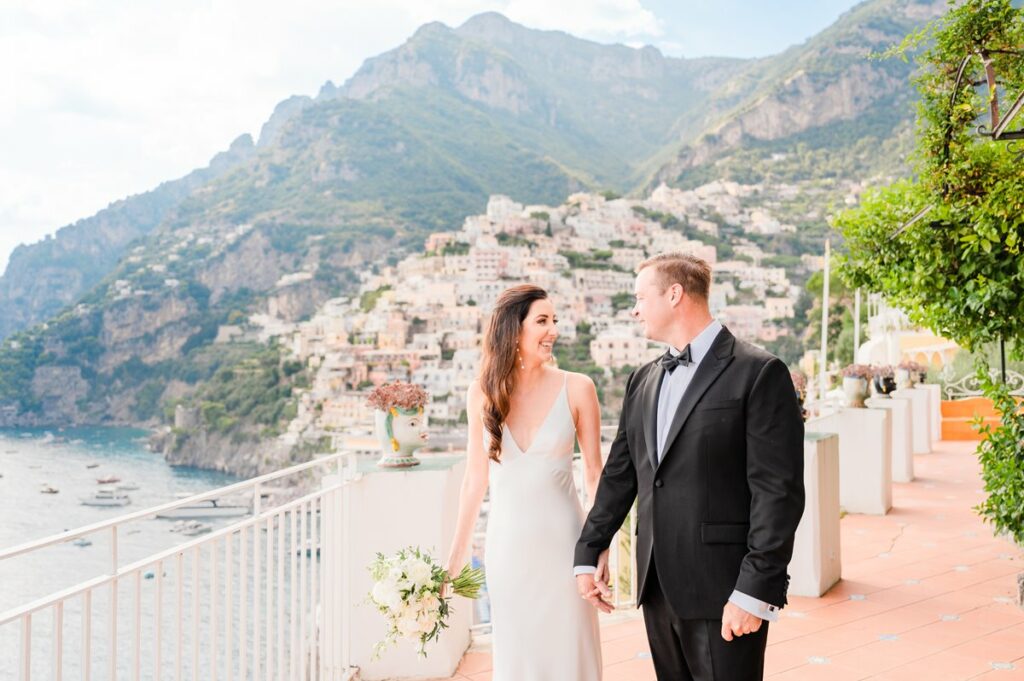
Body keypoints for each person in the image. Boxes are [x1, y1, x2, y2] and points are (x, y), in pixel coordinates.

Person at [574, 253, 805, 681]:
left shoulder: (759, 372)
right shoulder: (641, 380)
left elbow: (778, 493)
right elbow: (621, 475)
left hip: (726, 589)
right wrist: (589, 551)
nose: (635, 308)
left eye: (641, 296)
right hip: (657, 585)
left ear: (675, 294)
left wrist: (755, 590)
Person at [446, 284, 604, 681]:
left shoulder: (579, 387)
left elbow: (594, 475)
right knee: (519, 658)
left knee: (573, 655)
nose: (553, 330)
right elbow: (474, 479)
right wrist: (455, 556)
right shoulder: (481, 393)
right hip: (509, 549)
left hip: (566, 547)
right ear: (513, 330)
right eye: (542, 321)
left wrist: (599, 549)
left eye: (554, 321)